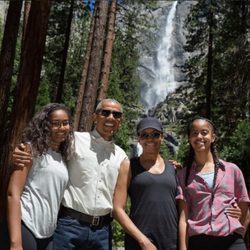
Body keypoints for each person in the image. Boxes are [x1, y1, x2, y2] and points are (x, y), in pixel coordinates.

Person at [12, 98, 127, 250]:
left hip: (102, 231)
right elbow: (44, 143)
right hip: (69, 226)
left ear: (120, 121)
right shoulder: (73, 140)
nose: (111, 117)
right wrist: (20, 150)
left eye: (116, 115)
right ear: (94, 117)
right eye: (105, 112)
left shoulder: (121, 156)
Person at [7, 103, 74, 250]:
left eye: (65, 123)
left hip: (48, 234)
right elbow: (13, 194)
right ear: (45, 125)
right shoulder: (31, 150)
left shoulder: (62, 157)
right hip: (26, 224)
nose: (62, 128)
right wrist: (15, 243)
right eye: (55, 123)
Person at [177, 116, 250, 250]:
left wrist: (238, 237)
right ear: (189, 139)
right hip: (200, 242)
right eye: (194, 133)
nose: (199, 136)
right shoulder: (183, 175)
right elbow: (183, 218)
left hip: (231, 241)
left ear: (213, 137)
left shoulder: (232, 170)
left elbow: (245, 210)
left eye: (204, 132)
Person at [113, 117, 179, 250]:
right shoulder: (129, 165)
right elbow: (117, 209)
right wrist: (143, 241)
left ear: (162, 137)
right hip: (140, 242)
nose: (150, 139)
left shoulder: (174, 168)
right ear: (139, 139)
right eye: (145, 135)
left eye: (155, 134)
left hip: (171, 241)